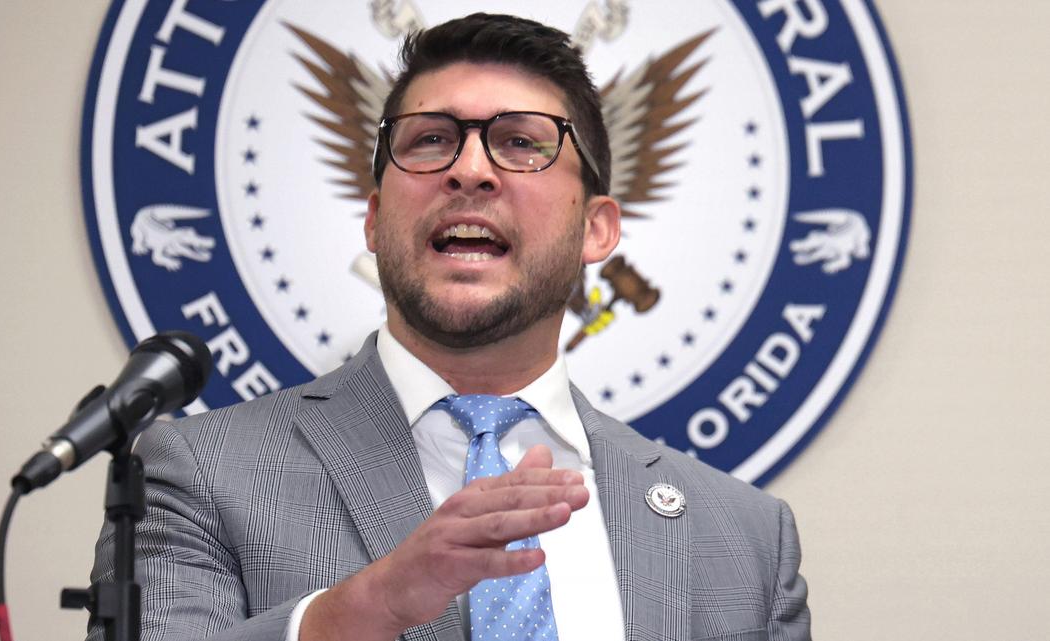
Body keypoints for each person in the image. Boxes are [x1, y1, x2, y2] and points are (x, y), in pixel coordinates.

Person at [87, 12, 810, 641]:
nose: (470, 169)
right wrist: (366, 608)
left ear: (597, 228)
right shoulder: (199, 473)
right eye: (430, 140)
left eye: (523, 142)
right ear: (374, 219)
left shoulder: (745, 538)